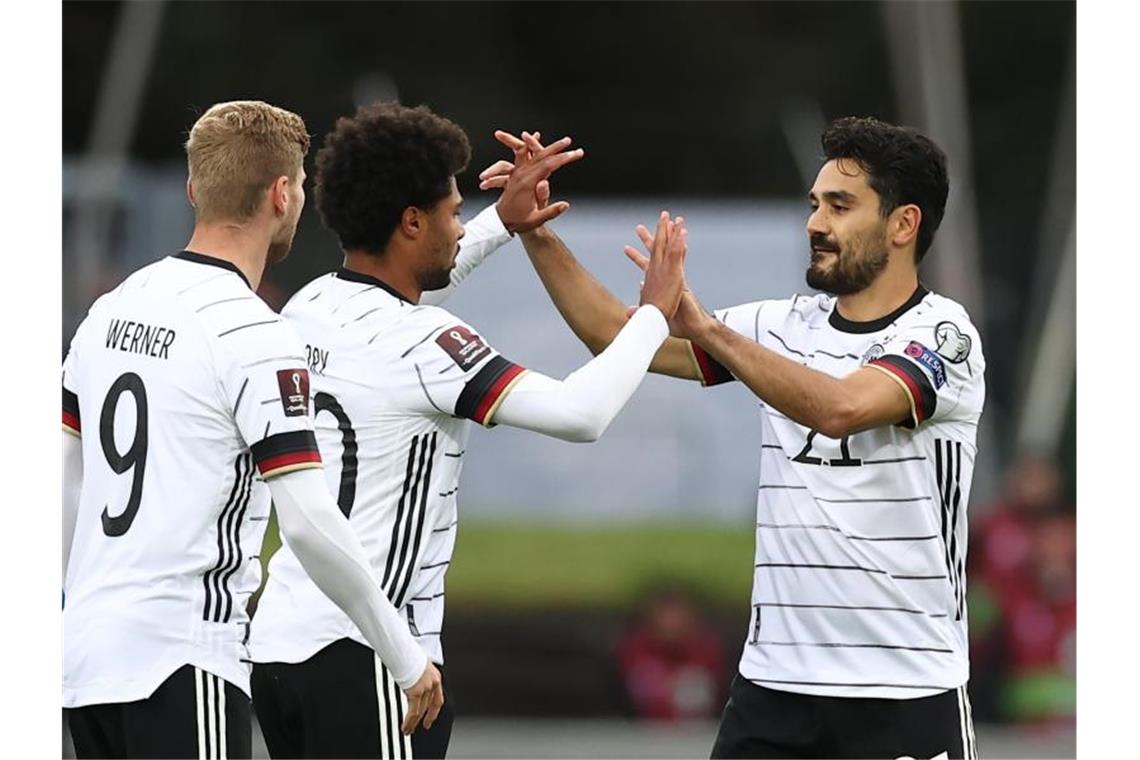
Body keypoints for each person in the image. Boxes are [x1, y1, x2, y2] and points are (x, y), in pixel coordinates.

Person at [498, 117, 986, 759]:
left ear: (903, 224)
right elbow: (616, 339)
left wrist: (706, 327)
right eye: (814, 205)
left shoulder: (944, 336)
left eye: (840, 206)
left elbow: (841, 408)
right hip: (774, 689)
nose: (815, 223)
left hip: (903, 688)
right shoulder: (781, 323)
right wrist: (535, 233)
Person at [247, 102, 689, 759]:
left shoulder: (314, 303)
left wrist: (500, 224)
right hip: (370, 655)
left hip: (281, 646)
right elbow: (580, 413)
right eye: (453, 212)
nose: (461, 227)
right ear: (410, 221)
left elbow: (406, 304)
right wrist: (654, 315)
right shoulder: (427, 343)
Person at [62, 100, 444, 759]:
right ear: (283, 193)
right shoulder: (255, 333)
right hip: (183, 661)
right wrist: (403, 654)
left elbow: (61, 486)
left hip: (86, 665)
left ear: (192, 191)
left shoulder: (109, 311)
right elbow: (306, 521)